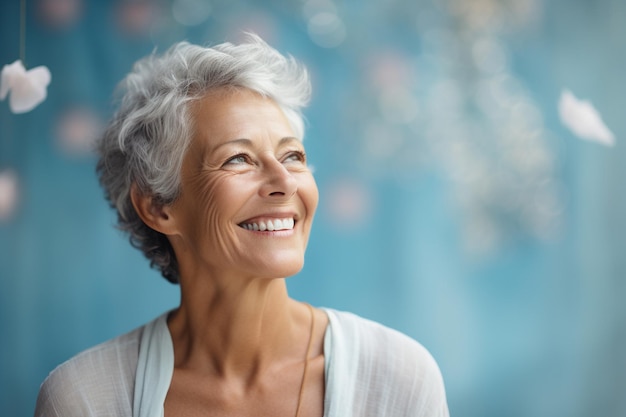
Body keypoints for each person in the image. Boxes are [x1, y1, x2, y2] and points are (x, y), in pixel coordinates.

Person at [34, 34, 449, 417]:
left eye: (293, 157)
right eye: (239, 159)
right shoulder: (85, 398)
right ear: (159, 206)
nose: (285, 182)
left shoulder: (398, 379)